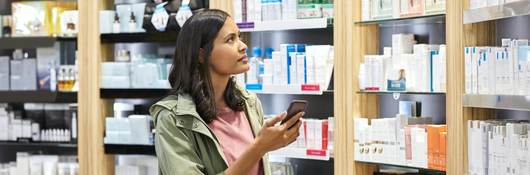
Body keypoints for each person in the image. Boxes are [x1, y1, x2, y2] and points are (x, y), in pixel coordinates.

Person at [149, 9, 303, 175]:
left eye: (239, 37)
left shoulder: (249, 103)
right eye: (230, 39)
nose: (243, 46)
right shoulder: (172, 118)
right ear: (201, 54)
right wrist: (259, 148)